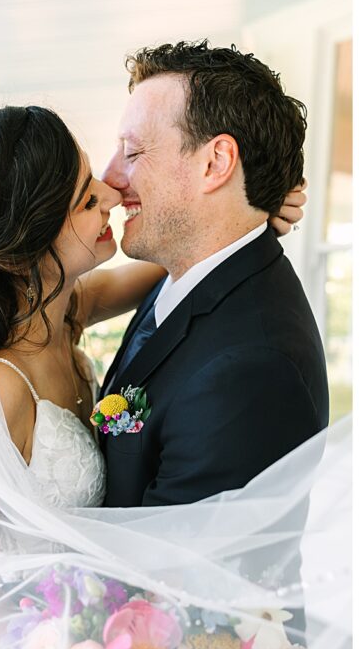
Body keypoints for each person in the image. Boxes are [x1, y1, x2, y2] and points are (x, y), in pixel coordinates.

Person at [0, 43, 348, 649]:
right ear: (20, 245)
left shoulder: (77, 312)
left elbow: (193, 585)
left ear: (215, 162)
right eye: (85, 196)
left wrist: (250, 214)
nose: (114, 188)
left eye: (126, 156)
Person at [99, 41, 327, 507]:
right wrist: (248, 212)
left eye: (133, 151)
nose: (109, 178)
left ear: (215, 164)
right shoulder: (189, 273)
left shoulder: (248, 370)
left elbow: (165, 575)